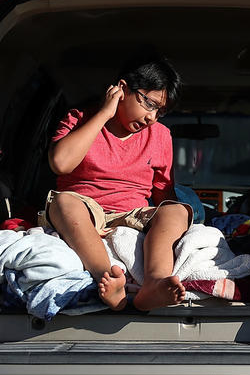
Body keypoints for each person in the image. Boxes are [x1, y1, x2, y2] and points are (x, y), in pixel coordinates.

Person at [45, 50, 189, 311]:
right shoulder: (79, 119)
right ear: (122, 89)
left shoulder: (160, 136)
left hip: (134, 214)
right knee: (64, 201)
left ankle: (154, 283)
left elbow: (163, 196)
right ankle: (109, 278)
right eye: (150, 104)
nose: (152, 118)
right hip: (84, 208)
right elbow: (60, 163)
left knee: (176, 210)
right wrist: (104, 113)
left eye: (160, 111)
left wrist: (171, 218)